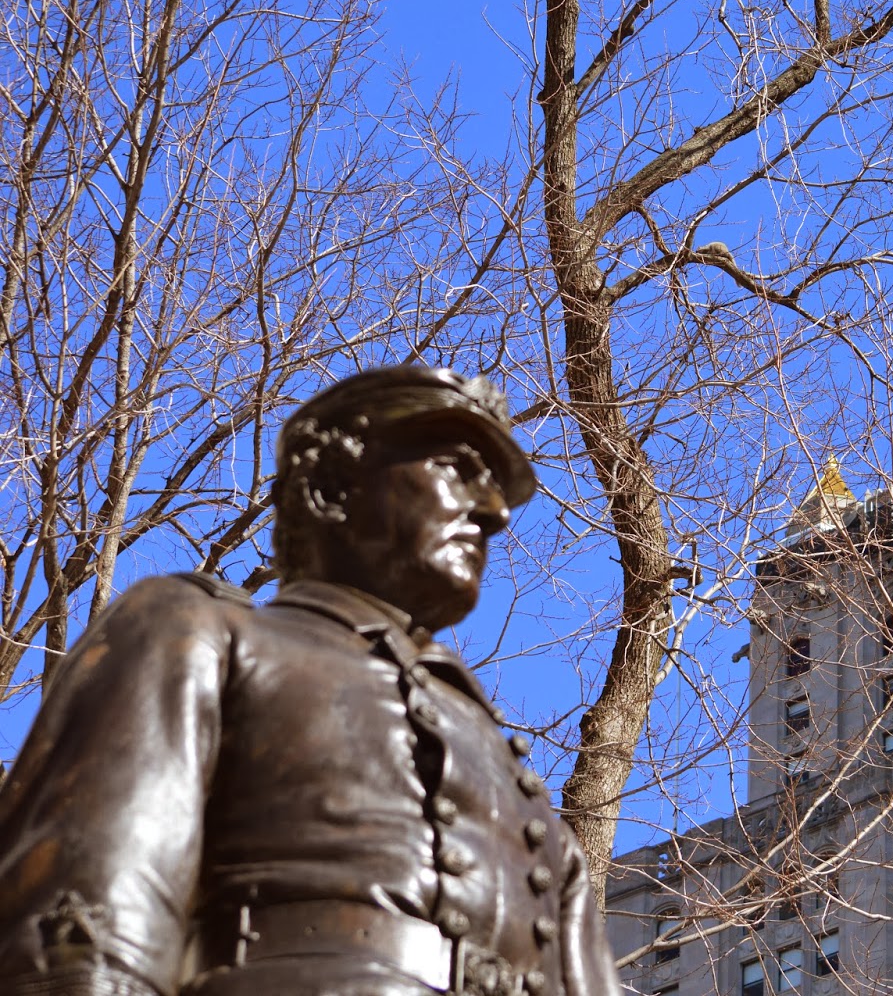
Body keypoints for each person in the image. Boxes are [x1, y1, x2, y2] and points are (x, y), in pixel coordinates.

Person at [0, 366, 622, 996]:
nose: (493, 514)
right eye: (457, 469)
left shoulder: (528, 804)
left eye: (497, 491)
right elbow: (85, 935)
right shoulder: (199, 636)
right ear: (329, 487)